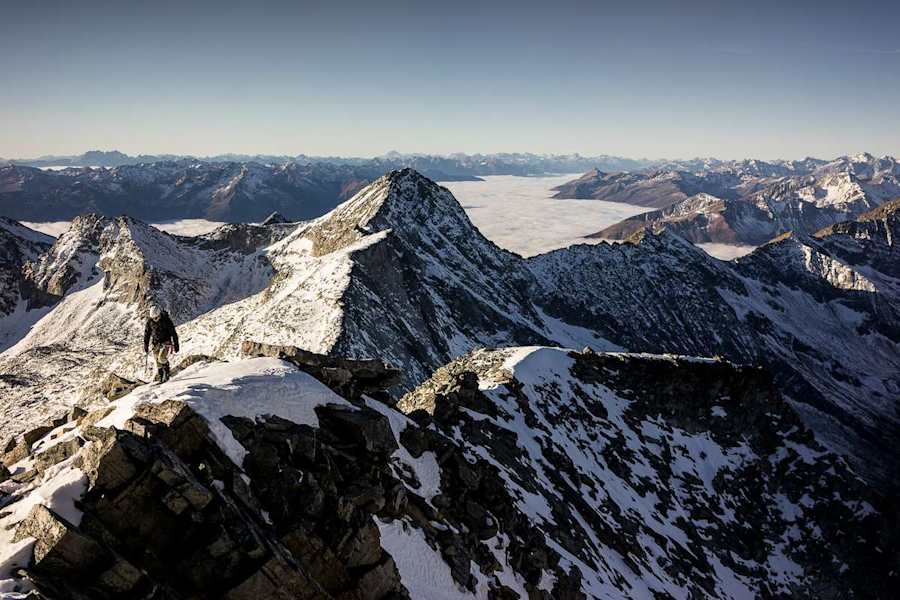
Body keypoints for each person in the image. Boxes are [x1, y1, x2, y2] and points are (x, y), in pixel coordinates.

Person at [143, 305, 179, 383]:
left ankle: (167, 372)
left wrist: (176, 345)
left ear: (159, 315)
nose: (155, 319)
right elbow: (147, 334)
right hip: (155, 344)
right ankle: (161, 377)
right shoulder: (150, 322)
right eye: (154, 318)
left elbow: (173, 333)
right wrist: (145, 345)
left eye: (156, 317)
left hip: (166, 342)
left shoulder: (166, 320)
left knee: (162, 358)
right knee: (157, 361)